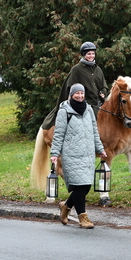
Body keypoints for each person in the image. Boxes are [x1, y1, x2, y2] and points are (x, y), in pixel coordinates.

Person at [50, 84, 107, 229]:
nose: (80, 96)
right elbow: (58, 134)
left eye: (82, 93)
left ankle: (66, 207)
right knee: (79, 186)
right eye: (77, 94)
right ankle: (83, 217)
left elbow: (94, 131)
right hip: (72, 155)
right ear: (71, 95)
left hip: (87, 155)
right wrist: (55, 153)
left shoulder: (88, 110)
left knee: (85, 186)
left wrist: (100, 149)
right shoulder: (64, 112)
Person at [41, 41, 109, 130]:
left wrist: (103, 92)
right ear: (84, 54)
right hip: (84, 104)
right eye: (89, 54)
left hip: (99, 104)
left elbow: (104, 85)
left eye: (93, 53)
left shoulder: (98, 69)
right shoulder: (76, 69)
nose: (91, 56)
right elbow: (71, 88)